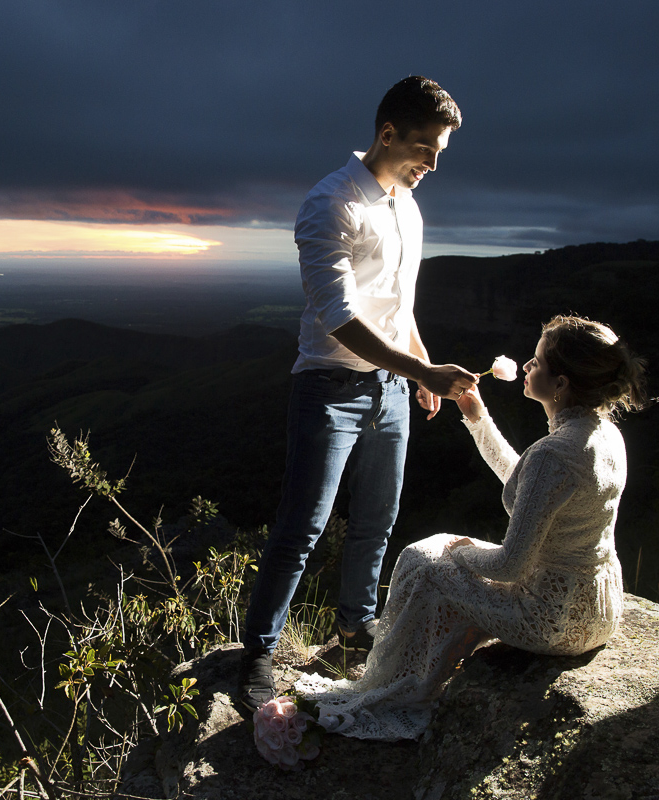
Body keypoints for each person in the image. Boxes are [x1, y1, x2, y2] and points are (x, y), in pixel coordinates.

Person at [237, 76, 479, 711]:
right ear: (387, 133)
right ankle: (258, 652)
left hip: (393, 385)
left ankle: (355, 623)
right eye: (424, 146)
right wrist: (422, 371)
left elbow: (400, 304)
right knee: (303, 526)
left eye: (440, 152)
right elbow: (339, 317)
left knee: (377, 519)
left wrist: (419, 367)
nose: (432, 162)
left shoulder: (408, 205)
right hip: (328, 387)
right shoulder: (331, 203)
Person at [294, 315, 648, 740]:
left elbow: (512, 566)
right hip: (600, 609)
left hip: (551, 617)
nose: (528, 367)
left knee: (422, 561)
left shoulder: (554, 453)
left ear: (561, 384)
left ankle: (396, 687)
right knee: (437, 556)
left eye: (536, 363)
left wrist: (459, 551)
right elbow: (529, 482)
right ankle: (410, 672)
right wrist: (478, 420)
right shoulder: (604, 435)